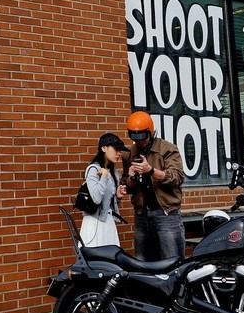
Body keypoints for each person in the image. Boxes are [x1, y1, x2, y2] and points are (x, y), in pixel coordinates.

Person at [123, 111, 186, 261]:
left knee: (171, 259)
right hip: (141, 214)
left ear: (151, 133)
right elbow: (127, 186)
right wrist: (131, 176)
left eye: (143, 138)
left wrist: (150, 170)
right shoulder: (131, 152)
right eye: (135, 138)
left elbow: (177, 177)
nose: (140, 142)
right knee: (142, 260)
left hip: (165, 213)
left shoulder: (167, 149)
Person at [79, 133, 129, 247]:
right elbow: (96, 198)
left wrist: (117, 196)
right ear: (103, 148)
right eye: (116, 149)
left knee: (110, 260)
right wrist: (104, 177)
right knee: (96, 260)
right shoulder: (93, 169)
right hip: (94, 222)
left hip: (108, 221)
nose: (119, 154)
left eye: (120, 150)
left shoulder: (113, 172)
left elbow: (108, 203)